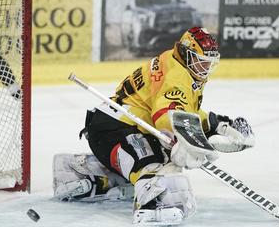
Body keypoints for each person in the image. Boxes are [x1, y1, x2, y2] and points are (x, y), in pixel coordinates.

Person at [54, 27, 255, 225]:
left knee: (162, 153)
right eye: (201, 62)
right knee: (155, 165)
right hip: (114, 129)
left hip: (118, 126)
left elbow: (184, 110)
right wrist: (184, 138)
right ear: (186, 53)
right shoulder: (177, 74)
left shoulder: (177, 63)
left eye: (208, 63)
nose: (205, 68)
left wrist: (218, 124)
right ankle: (155, 203)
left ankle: (81, 171)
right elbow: (167, 113)